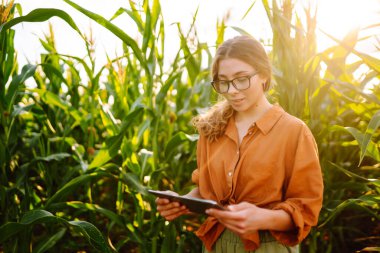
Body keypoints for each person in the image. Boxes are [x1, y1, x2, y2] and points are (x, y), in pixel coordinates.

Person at [155, 35, 323, 252]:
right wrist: (183, 203)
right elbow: (207, 191)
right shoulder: (210, 129)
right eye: (223, 82)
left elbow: (306, 209)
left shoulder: (294, 132)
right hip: (217, 243)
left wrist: (263, 218)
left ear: (263, 74)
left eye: (241, 78)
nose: (232, 90)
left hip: (269, 245)